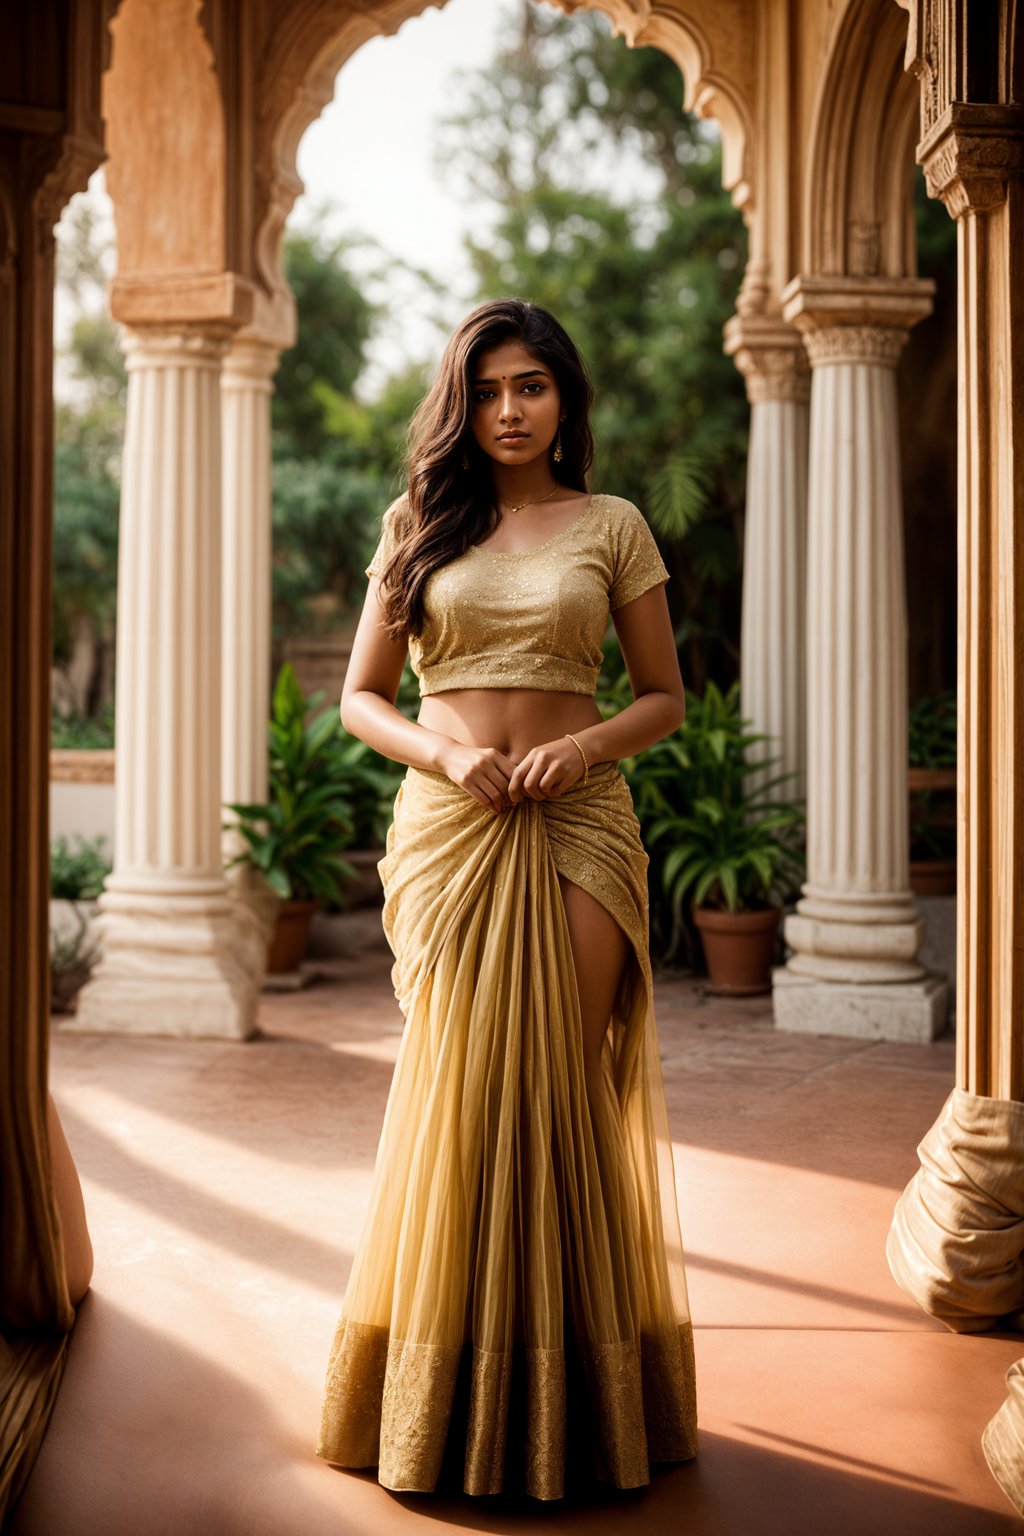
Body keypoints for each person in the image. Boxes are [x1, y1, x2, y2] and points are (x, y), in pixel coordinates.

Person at [316, 297, 697, 1502]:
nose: (509, 410)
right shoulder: (418, 523)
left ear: (565, 400)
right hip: (450, 835)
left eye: (530, 386)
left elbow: (661, 696)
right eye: (486, 391)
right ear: (459, 404)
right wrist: (446, 758)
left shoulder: (613, 525)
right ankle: (444, 1400)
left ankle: (573, 1409)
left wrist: (580, 755)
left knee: (559, 1094)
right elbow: (363, 698)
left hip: (578, 828)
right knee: (462, 1094)